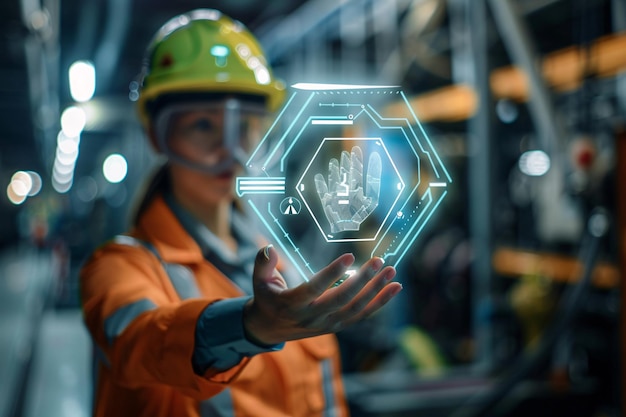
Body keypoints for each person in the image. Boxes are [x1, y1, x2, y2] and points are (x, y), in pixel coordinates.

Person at [80, 9, 402, 417]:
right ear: (156, 135)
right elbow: (139, 342)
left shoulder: (282, 267)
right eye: (201, 125)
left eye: (245, 126)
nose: (227, 150)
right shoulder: (118, 268)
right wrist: (247, 327)